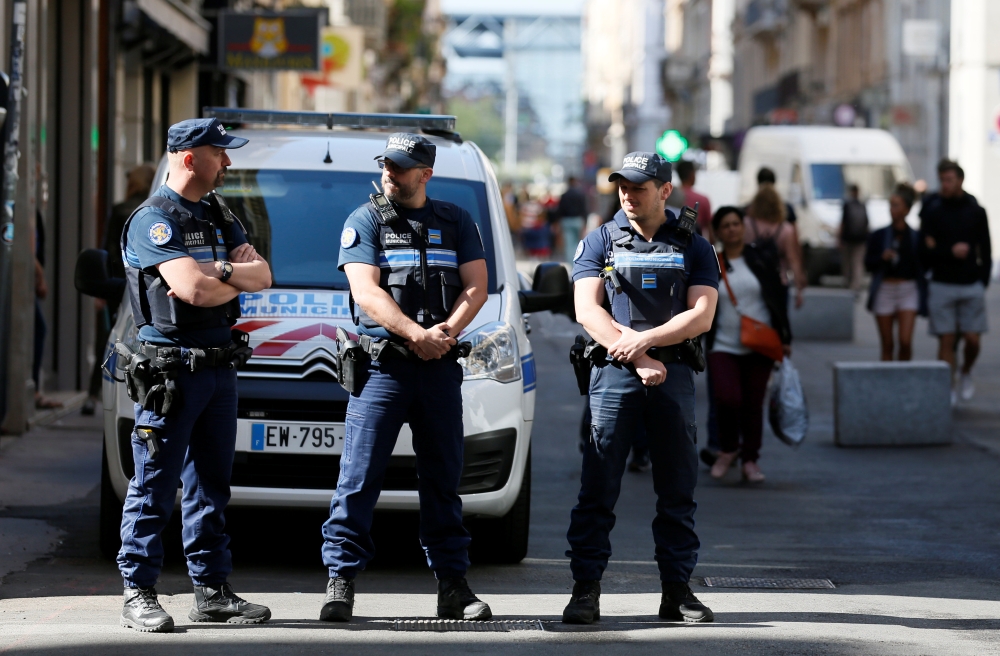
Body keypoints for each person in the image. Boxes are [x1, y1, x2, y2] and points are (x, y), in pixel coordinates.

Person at [321, 133, 491, 623]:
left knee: (442, 479)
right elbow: (367, 294)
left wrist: (445, 333)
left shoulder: (456, 221)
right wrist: (418, 334)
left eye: (400, 167)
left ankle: (453, 586)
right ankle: (341, 581)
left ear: (425, 175)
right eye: (386, 165)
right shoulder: (365, 220)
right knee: (358, 479)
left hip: (438, 368)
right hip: (383, 368)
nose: (390, 173)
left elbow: (476, 286)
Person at [117, 118, 273, 633]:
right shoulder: (154, 219)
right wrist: (228, 275)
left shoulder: (216, 211)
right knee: (154, 486)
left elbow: (264, 276)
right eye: (219, 153)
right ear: (188, 158)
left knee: (210, 487)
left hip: (218, 369)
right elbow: (193, 292)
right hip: (172, 375)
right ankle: (138, 590)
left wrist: (220, 273)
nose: (228, 163)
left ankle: (211, 592)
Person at [563, 151, 719, 625]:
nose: (628, 195)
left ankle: (677, 591)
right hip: (613, 374)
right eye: (623, 187)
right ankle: (585, 590)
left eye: (639, 187)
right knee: (598, 486)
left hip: (671, 377)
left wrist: (648, 341)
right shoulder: (600, 239)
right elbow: (587, 311)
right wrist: (640, 356)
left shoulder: (693, 244)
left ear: (665, 191)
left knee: (677, 488)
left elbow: (702, 314)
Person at [706, 207, 791, 483]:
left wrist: (784, 337)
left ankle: (750, 460)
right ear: (717, 232)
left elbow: (778, 298)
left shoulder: (761, 257)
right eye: (726, 225)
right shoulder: (711, 262)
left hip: (760, 342)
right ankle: (728, 449)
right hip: (722, 343)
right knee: (726, 398)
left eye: (736, 224)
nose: (732, 229)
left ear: (743, 227)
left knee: (754, 404)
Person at [83, 164, 156, 415]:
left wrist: (107, 288)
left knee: (114, 337)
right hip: (149, 285)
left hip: (121, 285)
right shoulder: (154, 210)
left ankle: (94, 394)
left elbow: (109, 251)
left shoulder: (119, 210)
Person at [919, 160, 992, 405]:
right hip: (942, 282)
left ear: (960, 180)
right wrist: (948, 251)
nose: (945, 185)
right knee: (946, 339)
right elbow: (924, 250)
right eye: (942, 180)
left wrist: (983, 278)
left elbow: (986, 248)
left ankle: (966, 370)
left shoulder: (975, 210)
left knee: (972, 338)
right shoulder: (933, 210)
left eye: (949, 180)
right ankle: (947, 386)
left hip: (970, 282)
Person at [865, 184, 927, 361]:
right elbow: (868, 263)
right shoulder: (879, 235)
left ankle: (903, 377)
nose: (892, 209)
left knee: (905, 342)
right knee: (887, 343)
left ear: (907, 209)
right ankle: (887, 381)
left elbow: (923, 262)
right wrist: (881, 258)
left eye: (896, 205)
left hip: (908, 288)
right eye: (891, 204)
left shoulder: (915, 236)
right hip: (885, 288)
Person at [745, 185, 806, 308]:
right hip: (778, 280)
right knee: (777, 320)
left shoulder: (747, 224)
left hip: (751, 278)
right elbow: (792, 258)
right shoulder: (785, 229)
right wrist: (799, 289)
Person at [839, 184, 869, 292]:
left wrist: (839, 238)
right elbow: (867, 223)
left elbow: (842, 223)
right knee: (857, 263)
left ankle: (848, 282)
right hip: (860, 239)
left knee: (848, 263)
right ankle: (855, 284)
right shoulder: (862, 205)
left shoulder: (848, 205)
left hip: (848, 238)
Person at [675, 161, 712, 242]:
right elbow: (710, 233)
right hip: (695, 246)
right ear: (692, 174)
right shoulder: (702, 199)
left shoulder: (669, 197)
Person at [558, 176, 588, 263]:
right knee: (578, 244)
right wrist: (585, 222)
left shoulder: (564, 195)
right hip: (578, 220)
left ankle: (571, 264)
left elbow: (560, 209)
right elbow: (584, 209)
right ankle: (578, 262)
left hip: (566, 221)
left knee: (569, 244)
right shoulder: (580, 194)